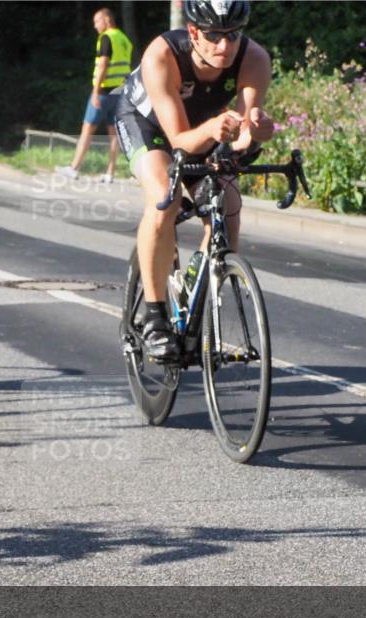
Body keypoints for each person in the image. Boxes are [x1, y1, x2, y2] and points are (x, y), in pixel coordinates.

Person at [114, 0, 274, 361]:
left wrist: (256, 131)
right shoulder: (162, 55)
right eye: (214, 36)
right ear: (193, 32)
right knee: (165, 198)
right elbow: (179, 141)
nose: (225, 46)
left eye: (233, 35)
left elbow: (243, 133)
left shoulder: (255, 59)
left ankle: (194, 289)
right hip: (147, 125)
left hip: (204, 128)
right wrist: (216, 131)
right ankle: (154, 316)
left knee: (228, 208)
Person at [55, 8, 133, 183]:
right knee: (114, 133)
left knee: (87, 129)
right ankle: (110, 172)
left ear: (107, 20)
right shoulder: (124, 39)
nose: (95, 26)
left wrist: (95, 92)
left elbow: (103, 64)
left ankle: (74, 168)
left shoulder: (106, 37)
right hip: (120, 93)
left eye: (97, 21)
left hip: (104, 92)